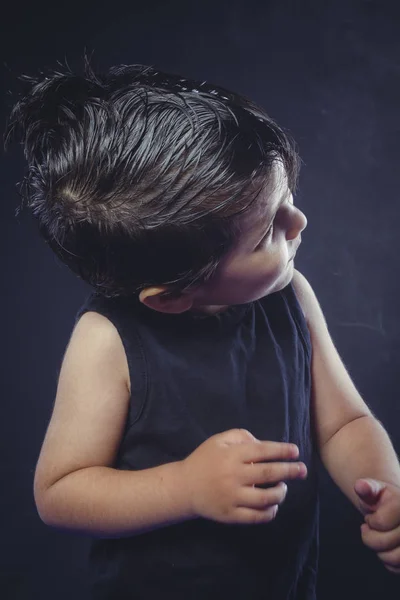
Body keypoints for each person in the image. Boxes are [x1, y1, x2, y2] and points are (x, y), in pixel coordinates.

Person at [5, 55, 400, 600]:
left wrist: (385, 489)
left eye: (287, 199)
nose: (299, 223)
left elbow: (344, 424)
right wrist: (185, 487)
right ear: (172, 296)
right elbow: (59, 493)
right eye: (268, 234)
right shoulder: (107, 342)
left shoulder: (290, 297)